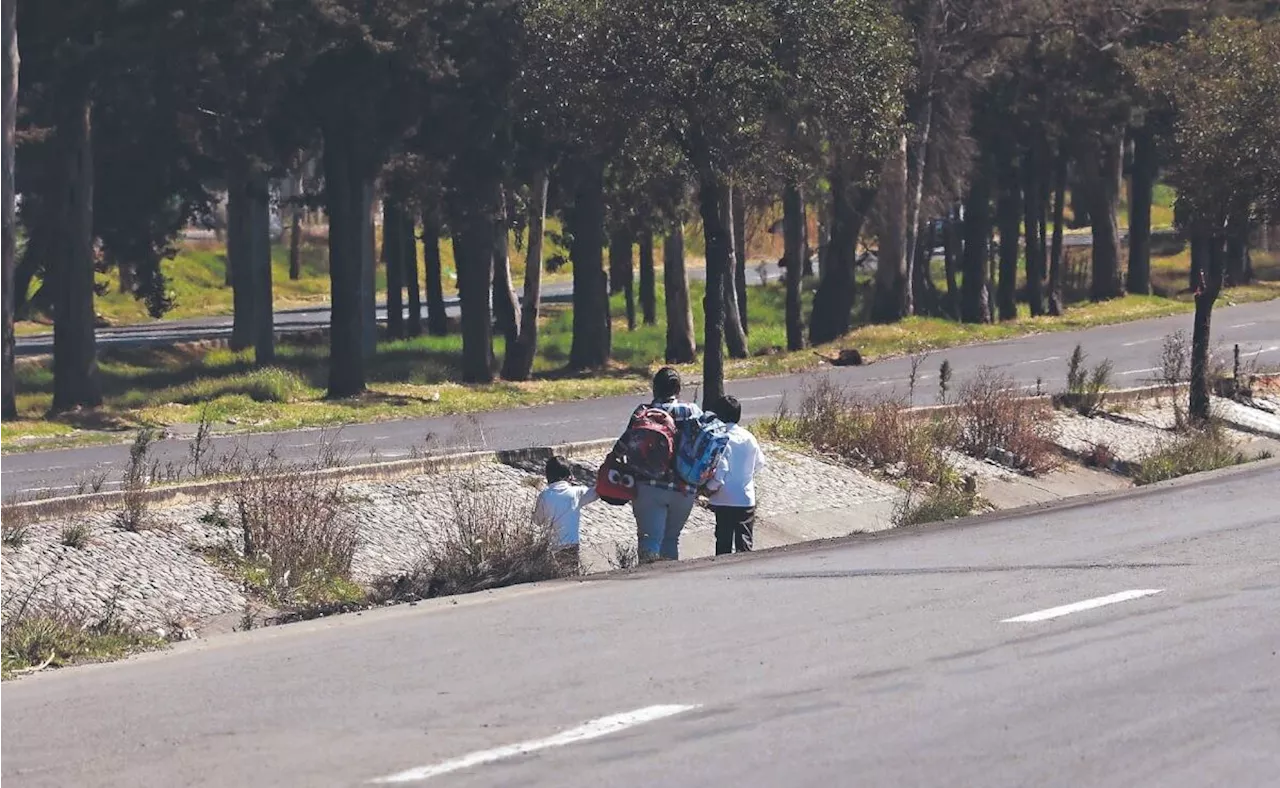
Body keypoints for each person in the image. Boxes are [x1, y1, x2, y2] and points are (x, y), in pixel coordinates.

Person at [632, 367, 701, 562]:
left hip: (648, 487)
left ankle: (646, 582)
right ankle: (669, 585)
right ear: (678, 388)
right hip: (684, 487)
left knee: (649, 540)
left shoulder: (643, 412)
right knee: (671, 540)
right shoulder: (692, 411)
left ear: (654, 388)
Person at [706, 395, 766, 555]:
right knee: (744, 542)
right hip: (745, 497)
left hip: (724, 498)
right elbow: (760, 463)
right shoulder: (749, 437)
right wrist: (744, 475)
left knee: (724, 542)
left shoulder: (720, 437)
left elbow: (721, 469)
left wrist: (709, 489)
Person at [533, 456, 598, 574]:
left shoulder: (544, 496)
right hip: (572, 544)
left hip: (553, 546)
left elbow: (537, 521)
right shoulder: (576, 492)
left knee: (556, 575)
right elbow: (596, 493)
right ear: (568, 476)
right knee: (572, 574)